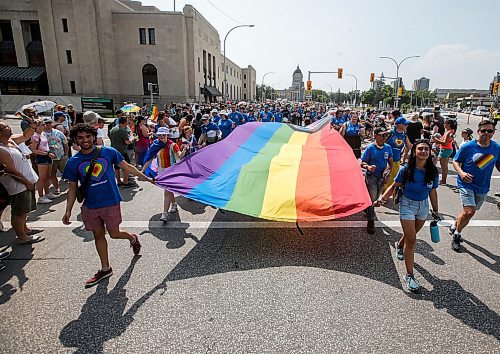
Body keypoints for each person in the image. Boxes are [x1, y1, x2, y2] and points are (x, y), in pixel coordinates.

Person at [62, 123, 154, 287]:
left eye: (88, 137)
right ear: (75, 140)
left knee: (114, 233)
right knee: (98, 235)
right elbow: (72, 187)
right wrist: (68, 210)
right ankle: (106, 268)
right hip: (90, 205)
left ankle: (132, 238)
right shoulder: (73, 162)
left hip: (110, 201)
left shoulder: (108, 152)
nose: (85, 140)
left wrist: (145, 178)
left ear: (93, 136)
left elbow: (127, 167)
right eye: (81, 138)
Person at [375, 139, 439, 291]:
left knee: (411, 234)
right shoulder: (406, 169)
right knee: (412, 240)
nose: (423, 151)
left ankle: (399, 245)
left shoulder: (432, 171)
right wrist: (381, 199)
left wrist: (435, 210)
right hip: (407, 205)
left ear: (429, 152)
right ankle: (409, 275)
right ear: (414, 152)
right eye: (420, 149)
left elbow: (433, 191)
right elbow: (394, 185)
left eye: (426, 149)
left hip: (423, 206)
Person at [449, 120, 500, 252]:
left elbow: (498, 165)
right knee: (469, 211)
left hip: (483, 186)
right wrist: (461, 173)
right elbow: (455, 161)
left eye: (489, 131)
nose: (486, 133)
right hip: (466, 184)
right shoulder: (468, 146)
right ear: (478, 132)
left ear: (493, 133)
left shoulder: (496, 148)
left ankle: (454, 225)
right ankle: (457, 235)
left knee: (469, 213)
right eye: (483, 131)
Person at [0, 121, 44, 244]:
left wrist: (33, 127)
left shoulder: (11, 141)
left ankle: (25, 229)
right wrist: (25, 182)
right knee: (19, 212)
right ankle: (22, 237)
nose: (9, 128)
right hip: (17, 185)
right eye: (6, 127)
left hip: (26, 182)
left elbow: (26, 136)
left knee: (24, 210)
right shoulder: (1, 149)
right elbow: (10, 170)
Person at [142, 127, 187, 221]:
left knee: (167, 191)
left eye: (164, 135)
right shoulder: (155, 144)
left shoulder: (172, 145)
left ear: (167, 135)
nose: (162, 136)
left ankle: (165, 213)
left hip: (171, 171)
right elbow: (150, 158)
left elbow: (180, 156)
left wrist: (184, 150)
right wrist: (142, 171)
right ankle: (174, 204)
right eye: (160, 135)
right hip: (161, 171)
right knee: (169, 190)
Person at [361, 127, 393, 234]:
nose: (385, 137)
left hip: (382, 178)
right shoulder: (370, 148)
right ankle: (371, 221)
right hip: (371, 177)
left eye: (386, 135)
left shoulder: (388, 148)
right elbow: (363, 163)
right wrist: (368, 167)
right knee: (373, 199)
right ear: (375, 135)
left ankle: (367, 209)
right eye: (382, 135)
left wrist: (388, 172)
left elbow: (390, 163)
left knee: (376, 198)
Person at [383, 116, 412, 192]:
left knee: (394, 178)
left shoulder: (404, 135)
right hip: (386, 160)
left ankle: (389, 193)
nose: (407, 126)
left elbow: (409, 146)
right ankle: (382, 195)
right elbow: (380, 142)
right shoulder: (390, 133)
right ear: (399, 125)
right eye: (405, 124)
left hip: (396, 160)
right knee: (385, 177)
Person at [31, 121, 57, 204]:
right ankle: (41, 197)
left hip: (47, 155)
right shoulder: (35, 136)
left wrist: (50, 148)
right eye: (42, 125)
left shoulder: (43, 134)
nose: (45, 126)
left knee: (47, 176)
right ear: (37, 126)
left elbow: (44, 145)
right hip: (42, 157)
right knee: (42, 178)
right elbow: (34, 150)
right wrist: (47, 153)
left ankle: (47, 193)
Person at [43, 117, 69, 195]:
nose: (48, 125)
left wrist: (66, 154)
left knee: (66, 172)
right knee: (52, 174)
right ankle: (57, 188)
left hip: (61, 156)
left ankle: (71, 186)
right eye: (46, 123)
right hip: (49, 158)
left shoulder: (58, 132)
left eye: (50, 123)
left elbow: (65, 143)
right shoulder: (41, 134)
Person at [109, 117, 135, 187]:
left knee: (116, 167)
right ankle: (126, 182)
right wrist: (132, 140)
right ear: (124, 123)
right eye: (127, 122)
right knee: (126, 166)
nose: (127, 123)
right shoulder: (123, 131)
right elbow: (127, 142)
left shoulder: (112, 129)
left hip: (114, 150)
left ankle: (119, 181)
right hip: (122, 151)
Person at [433, 119, 457, 185]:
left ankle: (443, 181)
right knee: (444, 166)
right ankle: (443, 180)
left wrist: (436, 140)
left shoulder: (449, 132)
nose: (444, 125)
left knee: (444, 166)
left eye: (445, 123)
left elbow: (444, 143)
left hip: (445, 150)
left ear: (448, 124)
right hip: (447, 149)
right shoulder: (450, 131)